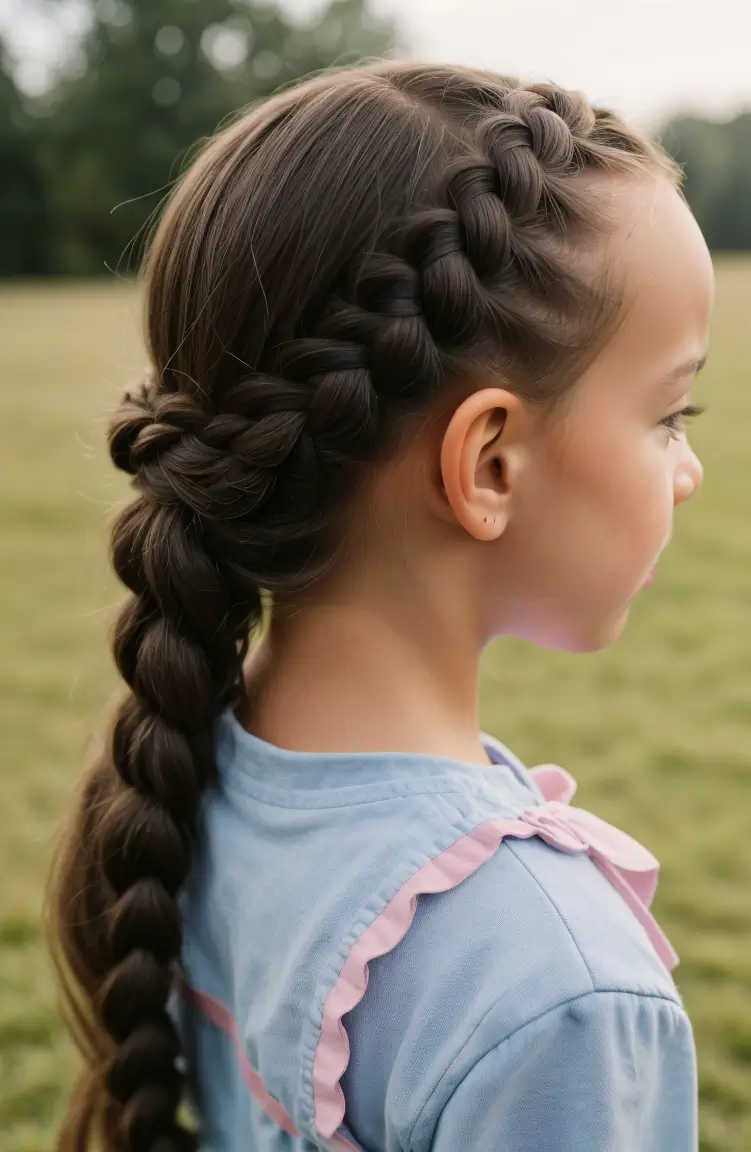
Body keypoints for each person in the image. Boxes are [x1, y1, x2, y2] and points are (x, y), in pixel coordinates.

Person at [49, 62, 713, 1152]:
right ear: (490, 463)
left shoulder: (188, 778)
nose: (688, 470)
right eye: (671, 413)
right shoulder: (555, 990)